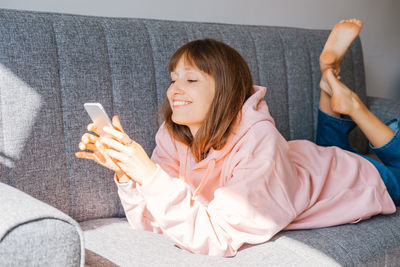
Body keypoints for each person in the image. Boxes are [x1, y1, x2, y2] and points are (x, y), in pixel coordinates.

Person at [75, 19, 400, 257]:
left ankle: (353, 106)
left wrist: (148, 173)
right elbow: (153, 222)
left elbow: (217, 237)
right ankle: (330, 82)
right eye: (174, 79)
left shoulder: (259, 139)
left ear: (226, 91)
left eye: (191, 79)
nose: (175, 89)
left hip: (346, 179)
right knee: (331, 147)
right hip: (306, 166)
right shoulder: (173, 135)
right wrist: (129, 175)